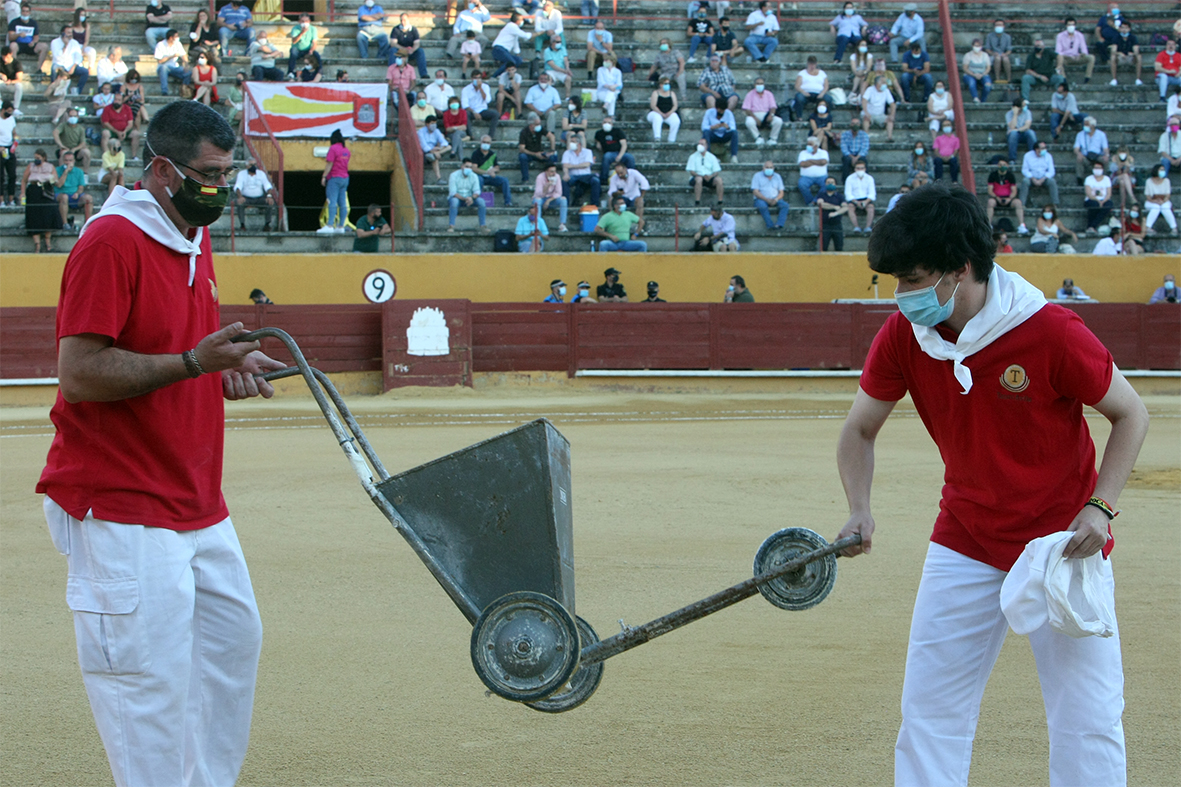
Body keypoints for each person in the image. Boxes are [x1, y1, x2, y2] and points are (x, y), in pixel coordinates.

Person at [840, 181, 1147, 787]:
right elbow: (859, 430)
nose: (903, 295)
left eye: (914, 277)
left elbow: (1131, 412)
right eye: (896, 280)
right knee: (929, 713)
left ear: (960, 270)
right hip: (966, 537)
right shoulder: (904, 335)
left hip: (1064, 544)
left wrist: (1100, 507)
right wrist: (859, 508)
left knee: (1087, 717)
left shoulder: (1051, 330)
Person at [37, 100, 286, 787]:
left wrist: (226, 363)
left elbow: (187, 350)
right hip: (119, 503)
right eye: (207, 174)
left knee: (228, 658)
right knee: (144, 691)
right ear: (160, 168)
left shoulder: (191, 233)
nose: (219, 188)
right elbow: (79, 374)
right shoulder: (110, 240)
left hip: (197, 501)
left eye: (227, 173)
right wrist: (192, 364)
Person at [20, 147, 58, 250]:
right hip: (33, 190)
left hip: (46, 190)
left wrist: (51, 178)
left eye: (38, 157)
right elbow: (24, 180)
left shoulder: (50, 167)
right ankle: (37, 244)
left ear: (44, 158)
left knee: (48, 214)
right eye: (35, 157)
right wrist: (22, 193)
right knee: (34, 215)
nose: (36, 159)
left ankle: (47, 241)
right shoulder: (31, 166)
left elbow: (55, 180)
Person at [319, 128, 350, 234]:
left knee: (332, 201)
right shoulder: (346, 151)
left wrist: (324, 176)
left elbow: (330, 164)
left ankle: (330, 225)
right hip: (345, 178)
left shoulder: (333, 149)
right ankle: (341, 226)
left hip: (334, 178)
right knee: (342, 203)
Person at [467, 134, 510, 208]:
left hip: (490, 177)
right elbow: (474, 168)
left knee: (504, 180)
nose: (486, 144)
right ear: (481, 143)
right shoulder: (476, 153)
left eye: (487, 142)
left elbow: (497, 167)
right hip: (479, 176)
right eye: (484, 142)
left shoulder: (492, 154)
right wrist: (486, 172)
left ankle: (508, 202)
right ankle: (477, 202)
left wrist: (493, 170)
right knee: (479, 180)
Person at [986, 159, 1027, 234]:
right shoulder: (993, 175)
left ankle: (1021, 225)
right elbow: (990, 190)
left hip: (1008, 198)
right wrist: (997, 197)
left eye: (1004, 165)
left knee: (1018, 202)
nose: (1002, 166)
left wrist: (1009, 198)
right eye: (1000, 164)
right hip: (996, 198)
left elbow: (1014, 190)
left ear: (1007, 166)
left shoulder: (1010, 176)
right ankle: (988, 224)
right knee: (990, 202)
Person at [447, 157, 488, 232]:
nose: (468, 169)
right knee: (454, 202)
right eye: (466, 166)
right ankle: (451, 226)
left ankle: (483, 226)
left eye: (470, 167)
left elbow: (477, 191)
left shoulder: (474, 176)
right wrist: (465, 199)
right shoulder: (453, 175)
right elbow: (453, 192)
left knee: (481, 202)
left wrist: (472, 198)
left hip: (470, 198)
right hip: (458, 198)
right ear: (462, 166)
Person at [232, 159, 275, 231]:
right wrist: (240, 197)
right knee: (239, 203)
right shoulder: (241, 174)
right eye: (251, 165)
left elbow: (268, 186)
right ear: (246, 166)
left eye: (255, 165)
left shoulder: (261, 174)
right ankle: (242, 225)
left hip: (259, 198)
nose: (253, 167)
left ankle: (267, 224)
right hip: (246, 198)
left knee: (269, 202)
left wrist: (269, 196)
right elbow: (237, 186)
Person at [742, 77, 783, 147]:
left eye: (761, 83)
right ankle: (758, 137)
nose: (759, 85)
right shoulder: (750, 94)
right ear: (754, 85)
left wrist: (771, 115)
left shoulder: (769, 94)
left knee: (779, 121)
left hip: (767, 114)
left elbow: (773, 106)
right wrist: (755, 118)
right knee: (749, 121)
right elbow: (747, 109)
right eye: (757, 83)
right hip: (754, 114)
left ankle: (772, 139)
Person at [561, 134, 599, 209]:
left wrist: (571, 166)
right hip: (573, 176)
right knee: (564, 181)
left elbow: (587, 164)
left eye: (573, 141)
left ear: (579, 144)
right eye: (570, 141)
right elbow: (565, 166)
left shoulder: (588, 152)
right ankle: (566, 205)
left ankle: (594, 205)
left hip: (586, 176)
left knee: (596, 181)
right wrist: (566, 174)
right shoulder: (567, 153)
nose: (571, 143)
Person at [1020, 140, 1060, 209]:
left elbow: (1051, 171)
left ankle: (1055, 203)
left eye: (1045, 148)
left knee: (1052, 181)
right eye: (1042, 148)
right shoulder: (1027, 155)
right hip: (1032, 178)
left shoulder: (1048, 156)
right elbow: (1025, 170)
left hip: (1044, 178)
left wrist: (1043, 178)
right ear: (1037, 149)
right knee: (1025, 181)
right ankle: (1022, 204)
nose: (1045, 149)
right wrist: (1032, 178)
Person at [1022, 37, 1064, 102]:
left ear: (1043, 46)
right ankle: (1025, 100)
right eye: (1035, 46)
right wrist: (1040, 76)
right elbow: (1028, 70)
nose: (1036, 47)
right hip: (1036, 78)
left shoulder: (1048, 52)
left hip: (1050, 76)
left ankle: (1060, 97)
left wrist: (1059, 66)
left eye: (1038, 46)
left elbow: (1059, 56)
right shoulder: (1031, 56)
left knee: (1060, 78)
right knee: (1025, 78)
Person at [518, 111, 556, 183]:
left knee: (552, 157)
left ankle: (550, 178)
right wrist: (535, 154)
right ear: (531, 125)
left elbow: (552, 137)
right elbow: (522, 149)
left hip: (539, 152)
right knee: (522, 157)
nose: (539, 125)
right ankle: (525, 179)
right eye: (537, 124)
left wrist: (552, 150)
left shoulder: (540, 129)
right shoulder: (524, 132)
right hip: (529, 153)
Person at [101, 93, 141, 161]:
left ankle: (134, 156)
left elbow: (130, 123)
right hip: (112, 130)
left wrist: (124, 131)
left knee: (136, 134)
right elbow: (106, 123)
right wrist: (117, 132)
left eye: (119, 100)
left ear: (122, 101)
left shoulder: (127, 108)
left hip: (125, 130)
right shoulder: (107, 108)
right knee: (105, 133)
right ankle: (106, 156)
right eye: (115, 99)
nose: (116, 101)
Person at [7, 3, 48, 70]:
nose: (25, 13)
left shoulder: (33, 23)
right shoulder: (14, 22)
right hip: (18, 45)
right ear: (21, 12)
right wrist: (18, 34)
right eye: (23, 11)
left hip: (30, 45)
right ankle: (14, 69)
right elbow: (10, 37)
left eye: (27, 11)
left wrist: (33, 42)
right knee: (12, 45)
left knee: (44, 46)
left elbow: (36, 37)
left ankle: (39, 69)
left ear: (29, 12)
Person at [50, 23, 88, 94]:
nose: (70, 34)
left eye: (71, 32)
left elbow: (79, 57)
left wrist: (73, 67)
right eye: (68, 33)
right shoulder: (54, 42)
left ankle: (78, 91)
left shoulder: (75, 43)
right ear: (63, 33)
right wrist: (65, 45)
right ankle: (54, 90)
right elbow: (57, 57)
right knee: (54, 68)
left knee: (85, 72)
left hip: (71, 66)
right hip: (60, 65)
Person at [594, 116, 633, 184]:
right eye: (605, 122)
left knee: (630, 158)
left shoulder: (617, 131)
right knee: (606, 157)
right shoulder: (599, 133)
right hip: (609, 153)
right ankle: (604, 179)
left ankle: (631, 177)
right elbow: (597, 142)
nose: (607, 124)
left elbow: (624, 145)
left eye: (609, 122)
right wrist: (598, 144)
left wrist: (619, 156)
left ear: (612, 124)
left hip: (620, 152)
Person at [460, 72, 499, 140]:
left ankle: (490, 136)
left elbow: (487, 100)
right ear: (472, 78)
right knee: (465, 113)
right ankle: (470, 135)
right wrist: (474, 112)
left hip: (482, 110)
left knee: (495, 114)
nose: (477, 80)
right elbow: (465, 105)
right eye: (475, 78)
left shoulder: (485, 87)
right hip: (471, 111)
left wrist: (480, 89)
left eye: (479, 78)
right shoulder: (466, 89)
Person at [492, 11, 531, 78]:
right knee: (511, 62)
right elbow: (525, 35)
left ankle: (504, 75)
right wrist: (535, 34)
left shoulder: (514, 29)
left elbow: (515, 43)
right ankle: (495, 76)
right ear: (518, 21)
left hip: (504, 51)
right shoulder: (511, 26)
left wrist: (518, 55)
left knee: (518, 60)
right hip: (499, 49)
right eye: (522, 20)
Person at [1056, 17, 1094, 83]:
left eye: (1073, 25)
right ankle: (1063, 79)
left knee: (1091, 57)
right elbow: (1058, 51)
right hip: (1066, 58)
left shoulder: (1080, 35)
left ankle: (1087, 77)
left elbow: (1084, 49)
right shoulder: (1060, 36)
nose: (1071, 26)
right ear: (1066, 26)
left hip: (1077, 57)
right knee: (1059, 58)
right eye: (1069, 25)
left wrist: (1082, 54)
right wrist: (1069, 56)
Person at [686, 137, 724, 205]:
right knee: (699, 179)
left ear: (706, 146)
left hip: (709, 177)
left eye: (702, 144)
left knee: (719, 180)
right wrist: (700, 175)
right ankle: (697, 201)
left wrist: (711, 176)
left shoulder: (712, 157)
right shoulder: (693, 156)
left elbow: (716, 171)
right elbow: (692, 171)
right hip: (697, 177)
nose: (700, 145)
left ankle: (720, 201)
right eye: (699, 144)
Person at [1074, 116, 1109, 184]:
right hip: (1086, 156)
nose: (1084, 126)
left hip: (1097, 156)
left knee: (1106, 160)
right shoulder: (1080, 135)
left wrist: (1106, 155)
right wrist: (1079, 154)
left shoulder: (1101, 135)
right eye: (1084, 124)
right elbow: (1076, 148)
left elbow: (1105, 148)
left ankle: (1105, 177)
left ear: (1092, 126)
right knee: (1079, 158)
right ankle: (1080, 179)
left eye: (1087, 124)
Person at [525, 71, 562, 137]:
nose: (543, 80)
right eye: (541, 79)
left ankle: (550, 133)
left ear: (548, 80)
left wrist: (551, 109)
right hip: (535, 111)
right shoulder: (532, 89)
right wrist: (536, 111)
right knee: (531, 114)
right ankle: (533, 133)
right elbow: (528, 103)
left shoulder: (553, 90)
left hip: (548, 111)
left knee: (552, 113)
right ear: (538, 79)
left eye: (545, 79)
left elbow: (558, 103)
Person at [533, 161, 567, 232]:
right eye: (551, 172)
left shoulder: (557, 176)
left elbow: (559, 192)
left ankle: (562, 224)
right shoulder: (540, 177)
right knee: (537, 200)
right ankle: (538, 225)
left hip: (551, 199)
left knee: (563, 199)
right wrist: (546, 186)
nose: (553, 173)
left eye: (554, 171)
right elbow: (538, 194)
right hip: (542, 198)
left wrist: (548, 201)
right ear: (546, 171)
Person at [53, 106, 90, 170]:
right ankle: (61, 173)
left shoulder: (81, 128)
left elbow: (83, 142)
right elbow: (55, 132)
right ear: (68, 117)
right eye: (70, 116)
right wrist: (61, 145)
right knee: (63, 153)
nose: (72, 118)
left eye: (75, 116)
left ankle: (85, 173)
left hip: (76, 151)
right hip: (65, 148)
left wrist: (75, 149)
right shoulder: (63, 125)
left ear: (77, 117)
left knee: (87, 152)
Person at [391, 13, 426, 79]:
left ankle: (423, 74)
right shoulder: (396, 29)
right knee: (392, 50)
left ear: (408, 20)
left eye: (404, 20)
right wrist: (404, 49)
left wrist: (412, 50)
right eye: (401, 20)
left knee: (420, 51)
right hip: (400, 52)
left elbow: (417, 43)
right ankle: (392, 74)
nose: (403, 22)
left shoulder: (413, 30)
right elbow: (393, 43)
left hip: (410, 52)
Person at [1144, 164, 1177, 235]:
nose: (1163, 171)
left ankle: (1174, 228)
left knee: (1165, 207)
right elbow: (1148, 196)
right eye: (1161, 170)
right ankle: (1147, 228)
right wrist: (1155, 201)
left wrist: (1163, 201)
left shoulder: (1166, 181)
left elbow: (1168, 195)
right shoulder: (1149, 181)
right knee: (1156, 207)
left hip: (1164, 201)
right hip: (1151, 201)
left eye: (1163, 170)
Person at [155, 28, 189, 95]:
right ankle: (164, 91)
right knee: (163, 68)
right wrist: (172, 56)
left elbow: (183, 55)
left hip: (175, 67)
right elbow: (160, 61)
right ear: (171, 38)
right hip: (164, 67)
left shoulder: (178, 44)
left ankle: (184, 90)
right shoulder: (160, 44)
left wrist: (187, 64)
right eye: (176, 36)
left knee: (188, 72)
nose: (178, 38)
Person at [861, 75, 896, 140]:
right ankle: (865, 137)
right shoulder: (870, 89)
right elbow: (864, 100)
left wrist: (892, 115)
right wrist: (866, 112)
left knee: (890, 120)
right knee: (866, 119)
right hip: (869, 114)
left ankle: (889, 137)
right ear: (877, 83)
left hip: (880, 115)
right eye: (883, 82)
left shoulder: (886, 91)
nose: (885, 84)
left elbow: (892, 104)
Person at [817, 177, 848, 251]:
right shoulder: (821, 194)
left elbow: (845, 207)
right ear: (825, 184)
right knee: (823, 247)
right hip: (825, 225)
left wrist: (836, 213)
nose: (830, 184)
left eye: (832, 182)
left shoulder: (839, 196)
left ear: (835, 184)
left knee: (839, 246)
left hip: (837, 224)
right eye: (828, 182)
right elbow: (821, 204)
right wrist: (835, 207)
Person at [844, 160, 875, 233]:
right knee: (850, 207)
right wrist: (856, 202)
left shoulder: (869, 178)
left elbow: (872, 193)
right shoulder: (849, 178)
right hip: (854, 199)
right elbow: (848, 193)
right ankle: (856, 227)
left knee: (871, 208)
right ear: (855, 169)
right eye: (858, 168)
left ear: (865, 169)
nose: (860, 170)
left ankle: (868, 227)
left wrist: (866, 201)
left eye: (862, 168)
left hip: (866, 199)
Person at [1083, 160, 1113, 235]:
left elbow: (1109, 193)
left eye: (1099, 168)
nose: (1097, 170)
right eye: (1095, 168)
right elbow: (1088, 193)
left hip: (1104, 199)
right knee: (1094, 205)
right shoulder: (1088, 179)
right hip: (1092, 199)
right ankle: (1090, 226)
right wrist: (1098, 200)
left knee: (1108, 205)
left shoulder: (1107, 179)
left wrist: (1103, 201)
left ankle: (1092, 226)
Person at [418, 115, 450, 185]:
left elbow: (444, 142)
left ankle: (436, 154)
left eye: (435, 123)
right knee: (435, 159)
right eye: (432, 123)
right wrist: (433, 151)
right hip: (424, 153)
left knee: (449, 147)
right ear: (427, 124)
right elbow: (424, 146)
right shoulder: (421, 132)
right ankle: (439, 178)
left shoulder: (437, 131)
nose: (434, 125)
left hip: (435, 151)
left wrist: (439, 149)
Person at [796, 137, 829, 206]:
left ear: (816, 146)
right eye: (807, 144)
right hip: (806, 177)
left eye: (810, 144)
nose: (808, 146)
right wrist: (817, 162)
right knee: (801, 184)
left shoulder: (823, 152)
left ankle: (814, 201)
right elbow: (802, 164)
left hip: (822, 177)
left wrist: (810, 161)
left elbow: (823, 162)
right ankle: (811, 201)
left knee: (827, 184)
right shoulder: (803, 153)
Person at [1107, 20, 1141, 86]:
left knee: (1139, 57)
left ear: (1129, 29)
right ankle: (1114, 79)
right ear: (1120, 28)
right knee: (1113, 56)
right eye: (1122, 28)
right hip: (1120, 58)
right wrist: (1119, 53)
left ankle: (1138, 79)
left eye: (1126, 28)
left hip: (1130, 58)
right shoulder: (1116, 37)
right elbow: (1113, 50)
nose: (1124, 30)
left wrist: (1133, 54)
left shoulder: (1133, 38)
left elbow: (1136, 50)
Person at [648, 76, 681, 143]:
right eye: (665, 84)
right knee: (657, 118)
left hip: (668, 113)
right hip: (656, 112)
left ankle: (671, 139)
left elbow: (675, 105)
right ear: (661, 84)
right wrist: (661, 113)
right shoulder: (655, 93)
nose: (667, 85)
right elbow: (653, 106)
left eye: (668, 84)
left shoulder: (672, 93)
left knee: (676, 121)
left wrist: (670, 113)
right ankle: (657, 137)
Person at [1004, 98, 1036, 164]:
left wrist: (1017, 129)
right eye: (1023, 105)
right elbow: (1012, 127)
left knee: (1031, 133)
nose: (1025, 107)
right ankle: (1012, 159)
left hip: (1024, 133)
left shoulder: (1027, 112)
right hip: (1012, 135)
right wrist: (1015, 114)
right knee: (1013, 133)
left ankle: (1034, 156)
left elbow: (1027, 126)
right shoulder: (1008, 114)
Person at [286, 13, 316, 79]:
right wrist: (302, 33)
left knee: (316, 54)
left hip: (307, 50)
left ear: (309, 21)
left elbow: (314, 42)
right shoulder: (295, 28)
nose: (304, 23)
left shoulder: (313, 29)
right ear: (299, 21)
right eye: (302, 21)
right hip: (298, 50)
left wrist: (312, 50)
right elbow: (294, 41)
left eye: (306, 21)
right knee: (293, 51)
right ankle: (290, 72)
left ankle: (318, 72)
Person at [839, 115, 870, 180]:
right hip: (849, 155)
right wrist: (852, 157)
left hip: (859, 155)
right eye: (853, 123)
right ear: (850, 125)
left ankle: (865, 180)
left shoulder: (864, 135)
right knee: (846, 160)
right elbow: (844, 148)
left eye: (857, 123)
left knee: (863, 160)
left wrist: (857, 157)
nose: (855, 125)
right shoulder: (845, 134)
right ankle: (845, 181)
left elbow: (865, 148)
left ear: (860, 125)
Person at [961, 39, 992, 103]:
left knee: (988, 85)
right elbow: (965, 68)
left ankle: (983, 100)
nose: (977, 47)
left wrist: (982, 74)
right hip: (970, 74)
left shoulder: (985, 55)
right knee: (971, 83)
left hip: (983, 74)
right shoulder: (968, 55)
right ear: (972, 46)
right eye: (975, 45)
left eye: (978, 46)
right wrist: (973, 74)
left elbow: (988, 68)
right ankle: (975, 98)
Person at [68, 8, 95, 74]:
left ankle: (90, 69)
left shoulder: (86, 26)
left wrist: (82, 49)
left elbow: (86, 40)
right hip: (74, 46)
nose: (82, 17)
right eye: (81, 15)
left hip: (83, 45)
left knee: (92, 51)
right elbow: (70, 38)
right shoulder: (71, 25)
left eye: (84, 15)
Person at [441, 96, 468, 161]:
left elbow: (464, 127)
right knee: (458, 139)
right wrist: (458, 127)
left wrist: (454, 128)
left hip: (462, 132)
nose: (454, 104)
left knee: (457, 133)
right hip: (450, 134)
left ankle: (453, 151)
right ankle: (461, 158)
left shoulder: (463, 112)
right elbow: (447, 129)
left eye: (456, 102)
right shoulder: (446, 114)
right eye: (452, 102)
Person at [984, 18, 1012, 83]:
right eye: (997, 25)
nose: (999, 26)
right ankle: (997, 78)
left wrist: (1005, 54)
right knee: (997, 58)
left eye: (1000, 25)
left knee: (1005, 59)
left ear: (1003, 26)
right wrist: (993, 53)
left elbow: (1009, 49)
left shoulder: (1007, 37)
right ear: (994, 27)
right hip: (994, 55)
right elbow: (987, 49)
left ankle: (1009, 78)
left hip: (1003, 54)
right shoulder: (989, 36)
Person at [1155, 38, 1181, 104]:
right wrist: (1169, 72)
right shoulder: (1161, 54)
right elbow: (1157, 67)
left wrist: (1179, 73)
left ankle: (1178, 97)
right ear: (1166, 46)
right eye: (1169, 44)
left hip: (1174, 77)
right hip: (1161, 77)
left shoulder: (1179, 55)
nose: (1171, 46)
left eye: (1173, 44)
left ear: (1175, 46)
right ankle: (1162, 97)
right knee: (1164, 77)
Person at [0, 99, 16, 205]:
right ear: (3, 110)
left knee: (12, 175)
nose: (9, 113)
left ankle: (11, 199)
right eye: (8, 111)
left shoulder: (11, 119)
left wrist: (16, 139)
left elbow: (14, 132)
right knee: (0, 176)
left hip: (10, 148)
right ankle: (1, 200)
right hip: (0, 148)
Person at [1, 49, 25, 113]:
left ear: (11, 54)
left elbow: (19, 79)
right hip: (2, 83)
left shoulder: (16, 63)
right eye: (4, 57)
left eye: (7, 57)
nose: (5, 59)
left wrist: (11, 82)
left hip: (12, 84)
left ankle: (15, 108)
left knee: (19, 86)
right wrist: (1, 75)